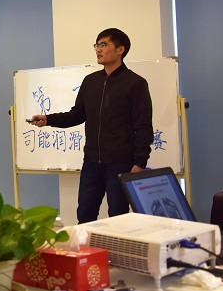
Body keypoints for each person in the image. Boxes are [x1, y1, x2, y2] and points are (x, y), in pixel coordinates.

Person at [30, 28, 153, 224]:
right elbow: (77, 115)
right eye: (96, 45)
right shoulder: (91, 82)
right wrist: (48, 119)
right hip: (92, 162)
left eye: (104, 44)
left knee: (118, 217)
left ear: (120, 49)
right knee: (85, 215)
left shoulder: (135, 83)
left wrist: (140, 162)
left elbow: (143, 126)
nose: (98, 49)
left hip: (121, 163)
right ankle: (88, 246)